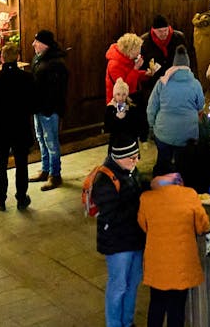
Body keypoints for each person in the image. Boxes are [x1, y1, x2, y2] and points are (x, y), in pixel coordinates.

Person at [136, 172, 210, 327]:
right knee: (176, 309)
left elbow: (143, 225)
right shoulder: (190, 195)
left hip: (157, 264)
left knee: (156, 304)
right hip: (181, 263)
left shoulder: (146, 198)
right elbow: (202, 226)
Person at [93, 138, 147, 327]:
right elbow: (111, 216)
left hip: (135, 239)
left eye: (137, 156)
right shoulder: (105, 180)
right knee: (119, 286)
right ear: (118, 157)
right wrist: (140, 205)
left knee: (132, 284)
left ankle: (128, 321)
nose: (136, 161)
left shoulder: (129, 170)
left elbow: (139, 187)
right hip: (118, 244)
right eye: (131, 158)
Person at [0, 43, 37, 210]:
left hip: (1, 128)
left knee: (0, 165)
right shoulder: (27, 78)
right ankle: (21, 198)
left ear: (1, 58)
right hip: (21, 127)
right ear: (18, 58)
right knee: (22, 164)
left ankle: (1, 199)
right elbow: (34, 103)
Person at [146, 46, 203, 178]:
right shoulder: (195, 84)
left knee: (163, 163)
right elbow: (200, 107)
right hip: (188, 134)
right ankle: (182, 189)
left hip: (163, 133)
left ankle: (160, 186)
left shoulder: (162, 83)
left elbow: (151, 107)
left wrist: (152, 126)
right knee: (184, 167)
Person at [30, 28, 69, 191]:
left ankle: (55, 175)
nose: (33, 44)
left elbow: (56, 91)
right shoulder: (39, 59)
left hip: (48, 109)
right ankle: (45, 170)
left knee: (51, 141)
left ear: (45, 45)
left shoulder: (55, 64)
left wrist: (47, 108)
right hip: (39, 107)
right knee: (41, 139)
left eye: (37, 42)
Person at [139, 14, 193, 93]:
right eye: (160, 31)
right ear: (153, 30)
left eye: (165, 30)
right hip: (154, 84)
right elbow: (142, 65)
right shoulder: (144, 42)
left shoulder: (179, 38)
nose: (163, 33)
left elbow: (188, 57)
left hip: (176, 80)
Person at [105, 32, 153, 102]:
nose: (139, 53)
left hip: (130, 99)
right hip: (118, 103)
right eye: (137, 50)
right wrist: (136, 68)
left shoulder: (127, 59)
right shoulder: (114, 65)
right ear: (130, 50)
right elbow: (124, 87)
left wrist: (145, 74)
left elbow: (130, 74)